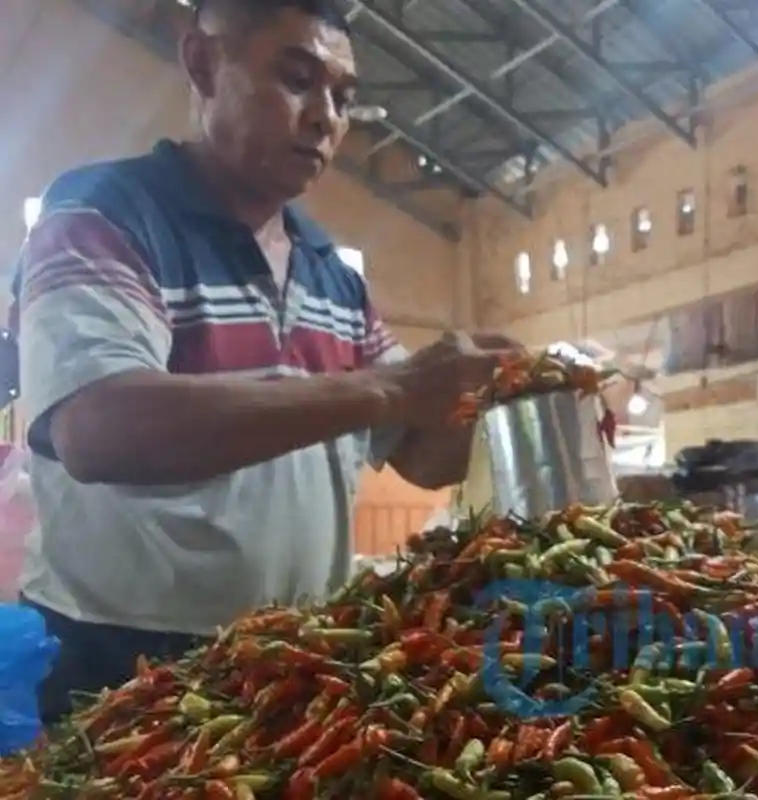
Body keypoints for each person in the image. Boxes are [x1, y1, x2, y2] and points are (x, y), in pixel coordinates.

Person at [7, 0, 519, 723]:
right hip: (122, 662)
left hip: (295, 657)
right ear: (202, 63)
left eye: (343, 97)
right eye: (298, 79)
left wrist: (490, 395)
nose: (326, 118)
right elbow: (99, 428)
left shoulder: (331, 275)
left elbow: (425, 460)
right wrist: (392, 389)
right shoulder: (105, 216)